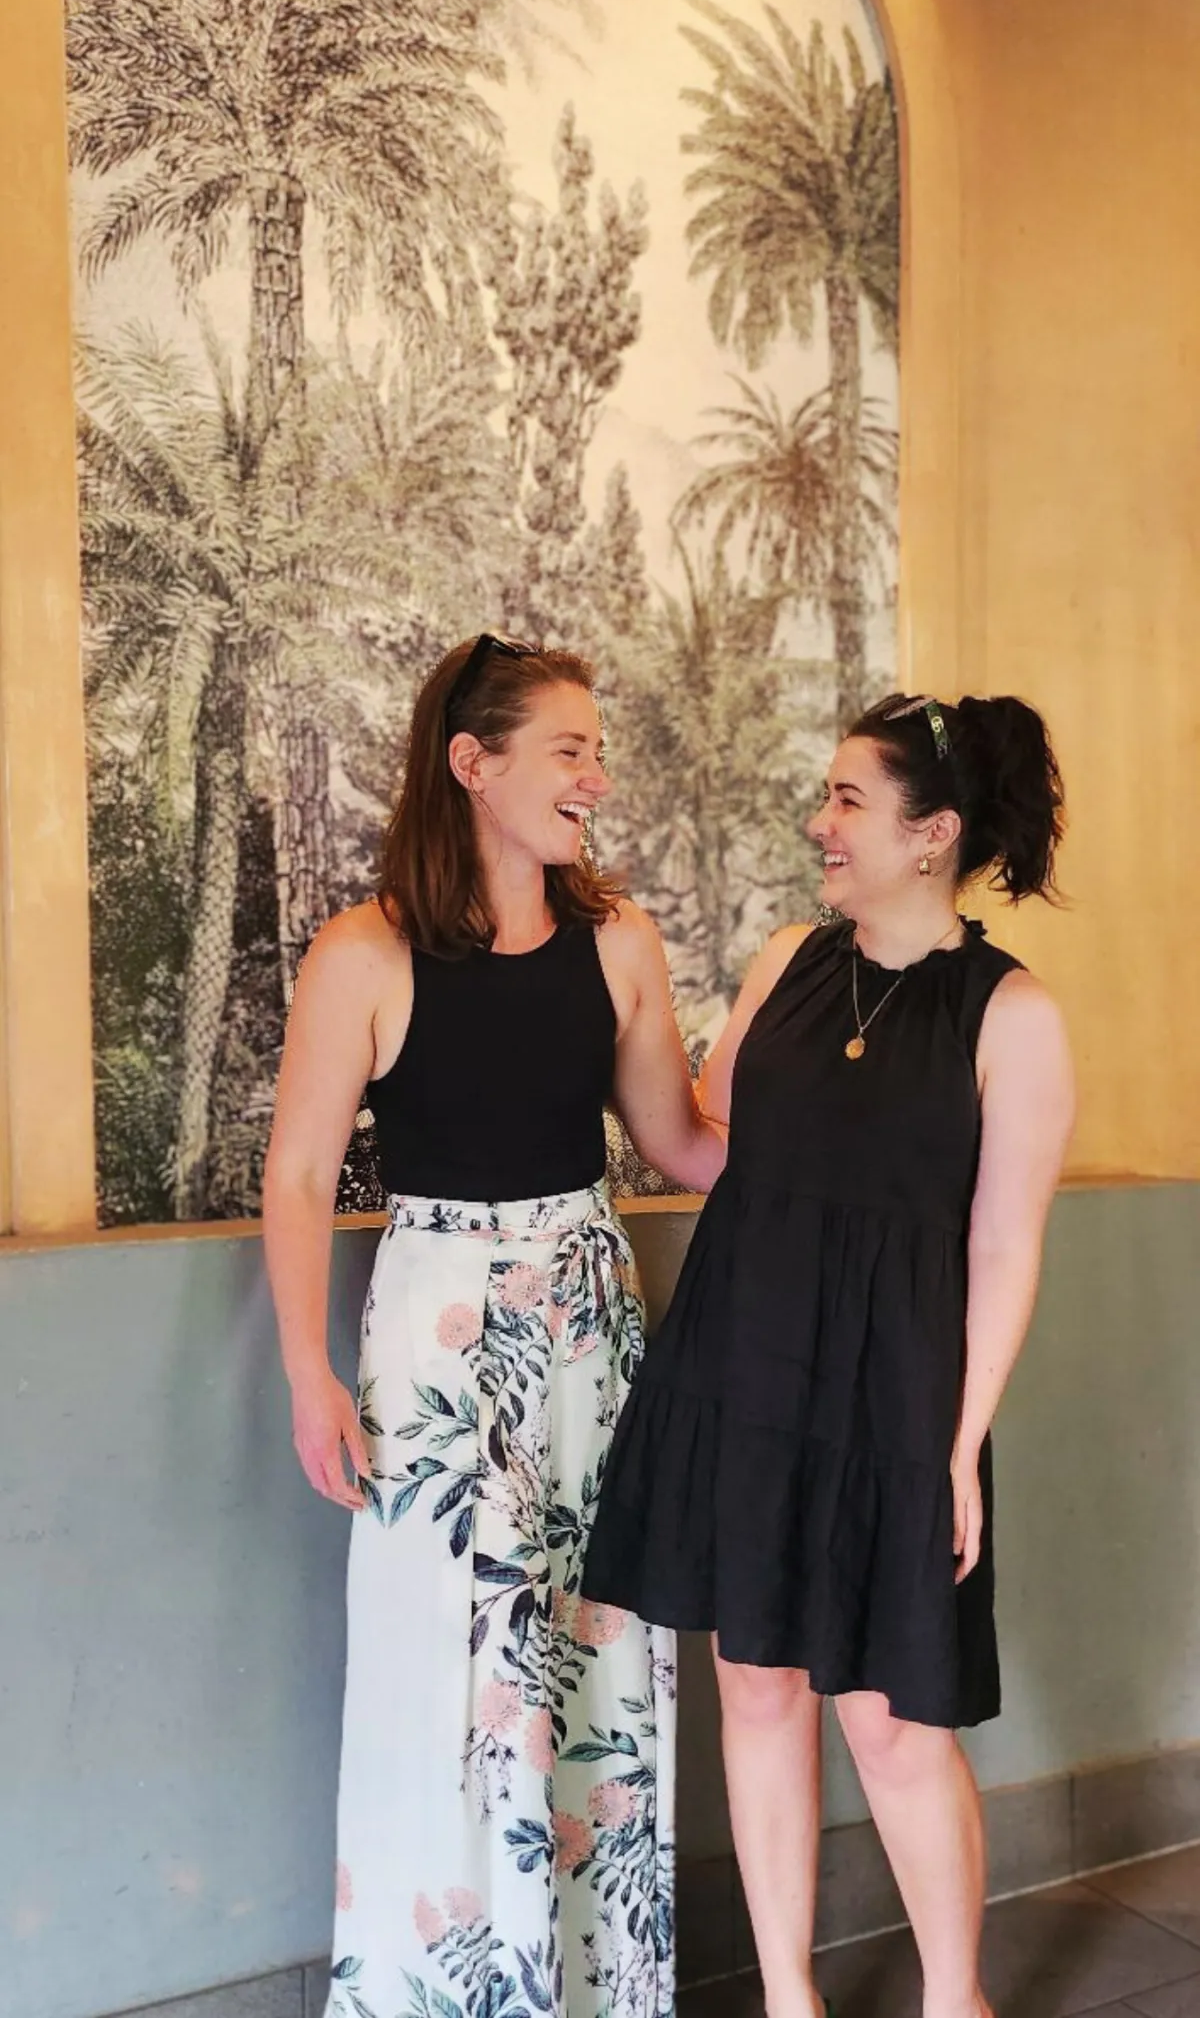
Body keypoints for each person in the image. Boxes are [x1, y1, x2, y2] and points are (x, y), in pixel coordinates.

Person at [583, 691, 1076, 2018]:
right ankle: (791, 1999)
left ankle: (952, 1998)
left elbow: (1003, 1251)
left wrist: (960, 1445)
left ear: (935, 834)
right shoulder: (789, 962)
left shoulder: (1011, 1015)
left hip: (896, 1398)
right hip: (743, 1368)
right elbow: (701, 1145)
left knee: (890, 1722)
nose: (820, 821)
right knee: (756, 1687)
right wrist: (600, 1015)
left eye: (849, 799)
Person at [264, 634, 725, 2018]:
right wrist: (308, 1374)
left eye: (596, 746)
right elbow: (295, 1174)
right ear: (473, 765)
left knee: (598, 1657)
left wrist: (788, 1063)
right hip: (436, 1350)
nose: (596, 774)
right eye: (568, 748)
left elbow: (682, 1149)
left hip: (591, 1335)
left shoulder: (621, 942)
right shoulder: (364, 952)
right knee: (443, 1677)